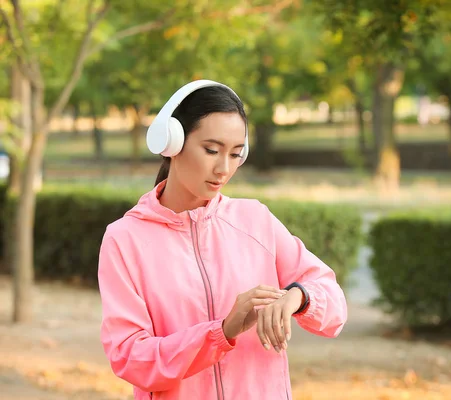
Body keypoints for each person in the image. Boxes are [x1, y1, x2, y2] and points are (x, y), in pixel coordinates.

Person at [97, 80, 348, 400]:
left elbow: (334, 307)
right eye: (212, 150)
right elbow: (130, 356)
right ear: (171, 143)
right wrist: (222, 332)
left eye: (235, 154)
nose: (223, 168)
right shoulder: (125, 240)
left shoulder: (255, 221)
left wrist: (297, 297)